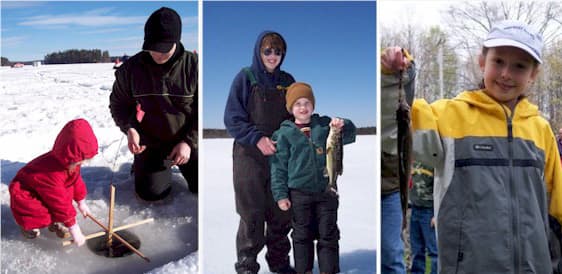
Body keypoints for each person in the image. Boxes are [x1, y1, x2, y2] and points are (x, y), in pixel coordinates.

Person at [382, 20, 562, 273]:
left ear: (533, 75)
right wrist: (395, 75)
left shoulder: (541, 129)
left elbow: (557, 207)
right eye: (498, 61)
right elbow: (395, 123)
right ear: (482, 62)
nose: (506, 74)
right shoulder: (448, 116)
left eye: (519, 66)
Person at [224, 31, 296, 274]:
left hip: (280, 155)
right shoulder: (245, 78)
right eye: (268, 51)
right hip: (249, 155)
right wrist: (257, 139)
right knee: (251, 212)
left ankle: (279, 262)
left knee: (281, 210)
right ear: (259, 51)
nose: (273, 56)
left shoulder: (288, 81)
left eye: (278, 52)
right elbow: (232, 119)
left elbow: (297, 115)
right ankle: (247, 264)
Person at [109, 7, 198, 201]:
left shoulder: (194, 66)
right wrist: (130, 128)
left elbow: (202, 110)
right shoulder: (131, 70)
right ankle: (142, 165)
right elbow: (118, 104)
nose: (157, 53)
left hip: (187, 140)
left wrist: (189, 142)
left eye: (163, 48)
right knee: (151, 194)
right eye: (152, 47)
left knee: (201, 187)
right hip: (151, 142)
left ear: (176, 41)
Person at [270, 82, 357, 274]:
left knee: (328, 233)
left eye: (307, 102)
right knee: (302, 235)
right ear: (290, 108)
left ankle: (329, 270)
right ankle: (304, 270)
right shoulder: (284, 133)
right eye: (298, 103)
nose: (303, 107)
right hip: (299, 194)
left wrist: (342, 124)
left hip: (326, 191)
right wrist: (280, 195)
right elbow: (278, 168)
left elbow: (351, 133)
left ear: (313, 106)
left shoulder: (323, 126)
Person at [9, 119, 98, 246]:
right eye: (80, 160)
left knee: (64, 194)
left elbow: (75, 181)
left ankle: (55, 222)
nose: (82, 164)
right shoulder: (52, 173)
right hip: (27, 193)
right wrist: (74, 228)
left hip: (45, 190)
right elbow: (58, 202)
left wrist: (81, 202)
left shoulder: (72, 162)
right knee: (41, 213)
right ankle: (28, 226)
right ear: (70, 153)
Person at [380, 46, 415, 274]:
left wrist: (405, 64)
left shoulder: (405, 109)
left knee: (393, 254)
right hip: (385, 182)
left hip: (392, 185)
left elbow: (407, 81)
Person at [409, 161, 437, 274]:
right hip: (415, 209)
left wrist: (437, 214)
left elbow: (441, 189)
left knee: (434, 251)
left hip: (429, 211)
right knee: (416, 249)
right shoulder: (412, 160)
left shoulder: (433, 161)